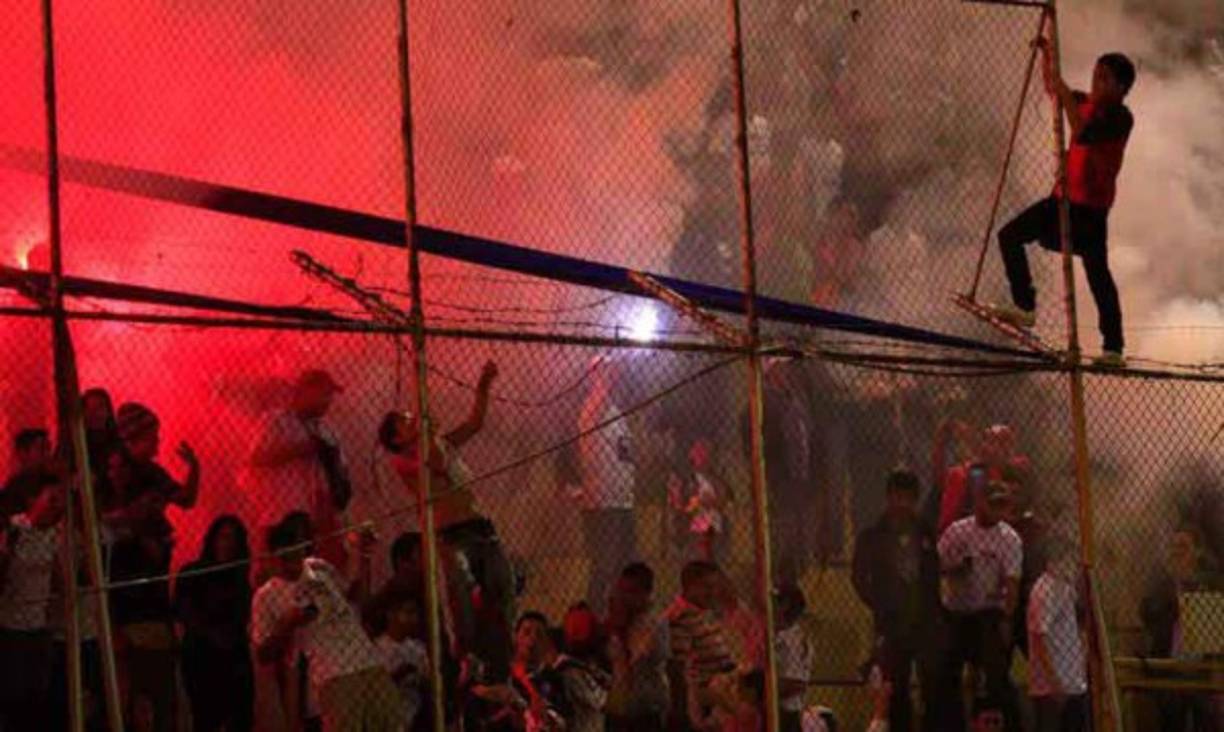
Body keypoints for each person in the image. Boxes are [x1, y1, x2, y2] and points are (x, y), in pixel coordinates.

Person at [990, 36, 1137, 368]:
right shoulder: (1084, 103)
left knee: (1098, 275)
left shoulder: (1118, 117)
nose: (1096, 84)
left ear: (1122, 88)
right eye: (1095, 76)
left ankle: (1113, 348)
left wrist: (1065, 92)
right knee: (1009, 236)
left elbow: (1081, 131)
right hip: (1062, 200)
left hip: (1090, 210)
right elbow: (1054, 88)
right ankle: (1025, 305)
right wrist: (1047, 56)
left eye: (1105, 79)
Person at [379, 360, 516, 679]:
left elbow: (474, 423)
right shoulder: (403, 461)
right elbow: (437, 465)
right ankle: (466, 661)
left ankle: (500, 655)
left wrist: (483, 386)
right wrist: (428, 431)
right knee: (462, 601)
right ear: (397, 438)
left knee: (502, 587)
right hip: (452, 534)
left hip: (479, 525)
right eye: (404, 420)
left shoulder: (436, 442)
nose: (412, 418)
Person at [251, 511, 403, 732]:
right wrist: (287, 625)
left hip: (367, 660)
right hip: (333, 673)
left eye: (297, 555)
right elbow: (262, 654)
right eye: (286, 558)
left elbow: (351, 596)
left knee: (391, 723)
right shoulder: (267, 595)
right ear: (274, 558)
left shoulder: (317, 568)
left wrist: (362, 553)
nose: (294, 565)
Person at [108, 402, 200, 732]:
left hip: (152, 583)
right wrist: (141, 526)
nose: (158, 443)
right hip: (129, 586)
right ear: (135, 437)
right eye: (152, 436)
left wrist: (194, 469)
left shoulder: (153, 472)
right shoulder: (117, 469)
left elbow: (185, 500)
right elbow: (111, 522)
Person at [851, 470, 940, 732]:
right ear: (888, 498)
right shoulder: (872, 535)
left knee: (931, 684)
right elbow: (858, 577)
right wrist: (878, 602)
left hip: (923, 621)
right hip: (891, 622)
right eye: (897, 497)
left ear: (914, 500)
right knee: (895, 688)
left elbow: (935, 571)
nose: (901, 503)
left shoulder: (925, 531)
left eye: (908, 498)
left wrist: (931, 606)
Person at [934, 481, 1023, 731]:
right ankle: (950, 724)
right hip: (957, 610)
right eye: (992, 504)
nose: (997, 510)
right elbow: (936, 566)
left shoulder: (1009, 538)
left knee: (996, 677)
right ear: (980, 503)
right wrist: (956, 568)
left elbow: (1013, 583)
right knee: (946, 675)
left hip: (989, 611)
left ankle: (1000, 724)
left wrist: (1007, 617)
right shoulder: (958, 532)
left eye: (1002, 505)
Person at [249, 369, 352, 566]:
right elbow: (256, 457)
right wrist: (300, 449)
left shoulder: (327, 429)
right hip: (281, 515)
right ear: (305, 391)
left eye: (330, 395)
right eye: (324, 393)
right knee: (277, 573)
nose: (328, 400)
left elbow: (341, 471)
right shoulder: (276, 421)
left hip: (319, 521)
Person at [175, 514, 255, 732]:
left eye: (233, 539)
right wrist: (212, 634)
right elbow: (185, 613)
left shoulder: (239, 578)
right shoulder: (194, 572)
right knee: (205, 718)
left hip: (233, 656)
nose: (228, 544)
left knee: (241, 716)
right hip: (202, 657)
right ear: (212, 540)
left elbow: (242, 616)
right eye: (223, 537)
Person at [572, 357, 638, 615]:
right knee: (604, 565)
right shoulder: (591, 409)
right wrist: (615, 362)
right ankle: (592, 617)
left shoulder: (616, 412)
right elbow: (604, 386)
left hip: (622, 500)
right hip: (602, 502)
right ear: (594, 377)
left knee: (625, 564)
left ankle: (616, 614)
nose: (612, 375)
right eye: (604, 372)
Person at [1139, 528, 1222, 732]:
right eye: (1173, 547)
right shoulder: (1161, 585)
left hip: (1201, 669)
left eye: (1183, 547)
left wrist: (1194, 595)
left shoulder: (1208, 584)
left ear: (1196, 552)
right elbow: (1145, 612)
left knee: (1206, 721)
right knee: (1172, 721)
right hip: (1170, 667)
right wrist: (1174, 600)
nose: (1177, 552)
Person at [0, 473, 65, 730]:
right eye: (51, 499)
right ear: (32, 501)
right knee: (13, 696)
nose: (57, 505)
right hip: (10, 624)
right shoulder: (15, 529)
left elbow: (60, 580)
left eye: (60, 500)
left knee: (37, 694)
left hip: (39, 625)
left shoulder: (54, 535)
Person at [667, 560, 736, 731]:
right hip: (699, 708)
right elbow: (679, 671)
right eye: (707, 587)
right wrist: (695, 714)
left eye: (715, 586)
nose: (713, 592)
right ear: (688, 586)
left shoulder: (702, 613)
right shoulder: (681, 618)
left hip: (717, 700)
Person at [1026, 539, 1087, 732]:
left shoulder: (1064, 587)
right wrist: (1054, 683)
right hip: (1053, 687)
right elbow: (1038, 638)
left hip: (1072, 682)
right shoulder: (1045, 590)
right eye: (1070, 560)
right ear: (1054, 561)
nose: (1073, 565)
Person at [605, 562, 670, 732]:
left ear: (645, 593)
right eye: (621, 591)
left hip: (646, 706)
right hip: (620, 704)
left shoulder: (653, 622)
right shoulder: (622, 617)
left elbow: (636, 660)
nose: (623, 597)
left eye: (630, 592)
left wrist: (620, 630)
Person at [934, 423, 1029, 534]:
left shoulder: (1014, 476)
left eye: (1008, 444)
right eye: (996, 442)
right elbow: (948, 523)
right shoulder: (963, 474)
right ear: (984, 445)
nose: (1004, 450)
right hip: (967, 539)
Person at [374, 589, 430, 732]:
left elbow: (427, 681)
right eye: (408, 612)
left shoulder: (418, 648)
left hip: (415, 714)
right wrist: (399, 674)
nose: (414, 619)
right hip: (387, 716)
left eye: (415, 614)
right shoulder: (378, 648)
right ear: (391, 614)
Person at [668, 438, 732, 563]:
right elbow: (678, 504)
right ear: (692, 455)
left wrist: (711, 501)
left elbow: (724, 501)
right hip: (694, 527)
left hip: (714, 526)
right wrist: (696, 502)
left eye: (705, 452)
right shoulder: (686, 479)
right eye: (698, 452)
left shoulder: (716, 478)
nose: (702, 456)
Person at [774, 583, 814, 732]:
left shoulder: (793, 640)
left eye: (776, 602)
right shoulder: (778, 635)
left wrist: (761, 690)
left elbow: (796, 684)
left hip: (785, 714)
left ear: (785, 605)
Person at [0, 427, 52, 518]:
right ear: (23, 453)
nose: (47, 454)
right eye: (41, 449)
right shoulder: (13, 491)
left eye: (48, 448)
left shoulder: (52, 481)